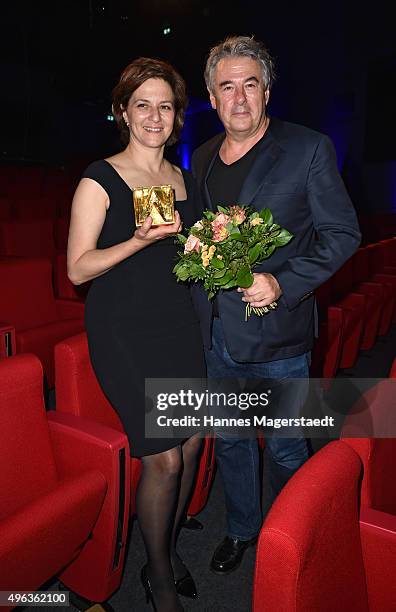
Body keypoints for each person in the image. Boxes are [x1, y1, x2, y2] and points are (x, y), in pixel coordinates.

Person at [191, 35, 361, 575]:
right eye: (227, 87)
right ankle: (242, 530)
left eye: (250, 85)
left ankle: (297, 540)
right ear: (212, 97)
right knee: (233, 442)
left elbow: (342, 234)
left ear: (267, 91)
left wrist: (283, 283)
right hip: (217, 334)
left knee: (288, 448)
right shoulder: (199, 158)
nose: (238, 98)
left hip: (281, 335)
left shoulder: (308, 148)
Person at [67, 57, 206, 612]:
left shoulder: (184, 179)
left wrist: (219, 256)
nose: (154, 115)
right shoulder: (99, 177)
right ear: (122, 112)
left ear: (177, 118)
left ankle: (165, 549)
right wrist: (139, 241)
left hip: (178, 322)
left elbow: (188, 256)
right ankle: (159, 576)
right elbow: (78, 269)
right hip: (123, 328)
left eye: (165, 106)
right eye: (142, 104)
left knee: (193, 443)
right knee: (165, 459)